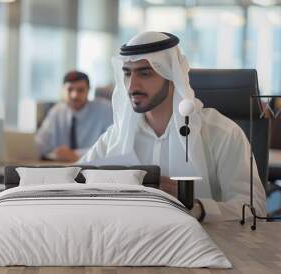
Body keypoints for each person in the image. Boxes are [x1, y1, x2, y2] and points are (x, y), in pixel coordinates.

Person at [78, 31, 266, 222]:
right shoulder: (117, 137)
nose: (132, 86)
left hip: (204, 246)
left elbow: (254, 208)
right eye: (127, 73)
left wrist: (195, 207)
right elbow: (73, 184)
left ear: (172, 76)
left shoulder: (221, 133)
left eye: (145, 73)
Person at [35, 71, 112, 162]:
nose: (74, 95)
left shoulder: (105, 109)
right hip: (61, 168)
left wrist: (76, 155)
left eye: (80, 90)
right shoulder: (56, 112)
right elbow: (40, 144)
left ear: (88, 90)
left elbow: (111, 145)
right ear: (62, 90)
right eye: (70, 89)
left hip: (93, 168)